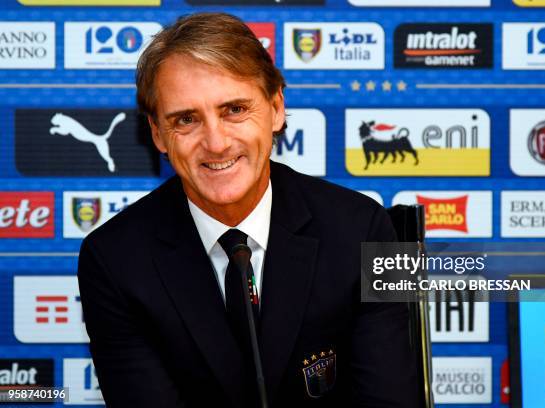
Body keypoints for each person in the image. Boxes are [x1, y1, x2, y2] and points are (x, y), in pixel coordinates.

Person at [77, 12, 418, 408]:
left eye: (234, 110)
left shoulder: (369, 228)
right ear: (158, 134)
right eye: (186, 120)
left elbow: (391, 399)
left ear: (276, 108)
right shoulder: (113, 260)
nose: (217, 143)